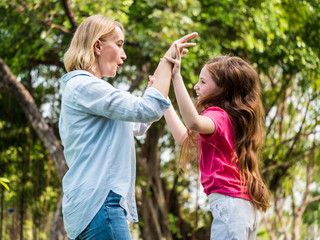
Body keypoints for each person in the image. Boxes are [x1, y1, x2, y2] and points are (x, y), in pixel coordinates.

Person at [58, 15, 197, 239]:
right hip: (99, 202)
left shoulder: (87, 89)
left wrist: (158, 88)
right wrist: (166, 62)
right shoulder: (84, 85)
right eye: (119, 44)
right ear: (98, 45)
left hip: (92, 205)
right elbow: (148, 109)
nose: (124, 55)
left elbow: (139, 123)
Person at [161, 45, 270, 239]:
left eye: (202, 82)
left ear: (223, 90)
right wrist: (164, 102)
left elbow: (193, 122)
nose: (196, 86)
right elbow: (184, 138)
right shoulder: (228, 119)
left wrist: (176, 77)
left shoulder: (217, 116)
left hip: (231, 205)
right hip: (242, 207)